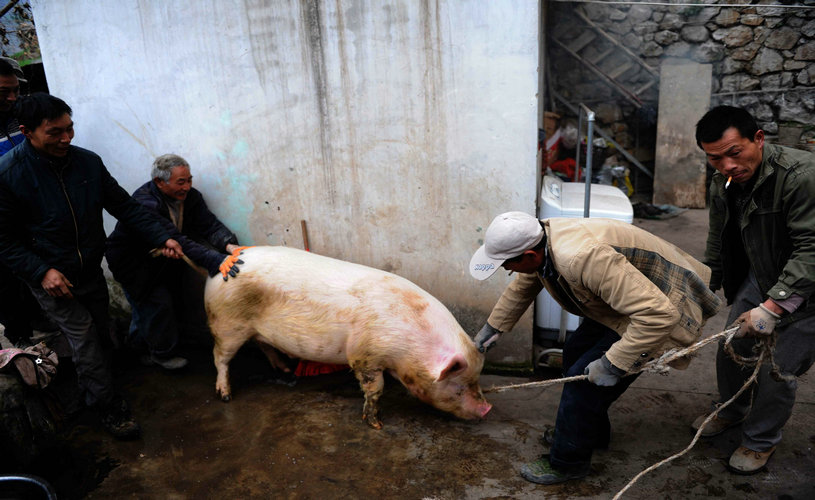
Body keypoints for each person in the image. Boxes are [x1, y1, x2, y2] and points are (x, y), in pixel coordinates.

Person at [469, 212, 720, 485]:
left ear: (529, 255)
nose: (509, 271)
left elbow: (658, 315)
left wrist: (614, 362)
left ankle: (568, 463)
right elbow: (523, 287)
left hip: (663, 305)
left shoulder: (582, 258)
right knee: (575, 352)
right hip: (625, 305)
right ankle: (586, 434)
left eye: (508, 266)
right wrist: (493, 329)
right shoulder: (543, 241)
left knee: (583, 384)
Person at [0, 92, 188, 440]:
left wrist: (163, 237)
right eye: (54, 132)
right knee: (84, 337)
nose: (66, 138)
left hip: (89, 270)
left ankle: (93, 388)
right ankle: (108, 406)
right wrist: (42, 272)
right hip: (50, 278)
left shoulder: (87, 162)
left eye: (69, 128)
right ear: (26, 131)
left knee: (101, 333)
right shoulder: (8, 174)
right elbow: (4, 240)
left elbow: (126, 208)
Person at [692, 105, 815, 475]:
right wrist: (703, 290)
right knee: (732, 345)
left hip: (808, 286)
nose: (727, 165)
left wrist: (774, 308)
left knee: (777, 369)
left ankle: (760, 441)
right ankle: (732, 410)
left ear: (758, 139)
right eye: (716, 158)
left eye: (735, 152)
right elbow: (719, 238)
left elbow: (812, 248)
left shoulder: (801, 176)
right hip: (762, 275)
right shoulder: (723, 181)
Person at [105, 153, 242, 370]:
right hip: (133, 263)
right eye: (181, 182)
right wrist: (217, 260)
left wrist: (230, 245)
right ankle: (161, 355)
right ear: (160, 182)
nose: (187, 186)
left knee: (149, 308)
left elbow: (208, 224)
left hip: (161, 262)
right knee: (156, 305)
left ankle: (136, 347)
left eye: (189, 180)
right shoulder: (145, 203)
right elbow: (178, 240)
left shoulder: (189, 197)